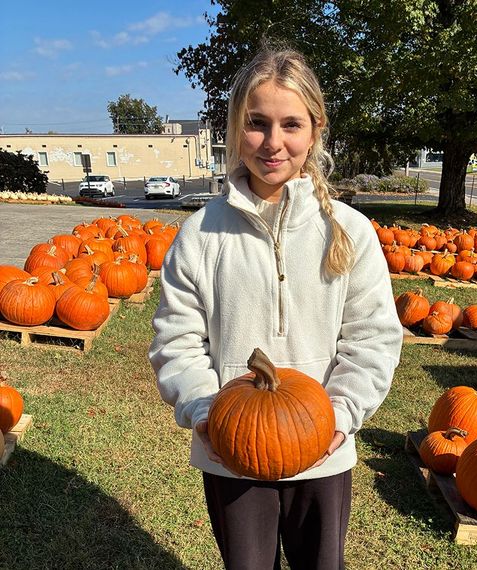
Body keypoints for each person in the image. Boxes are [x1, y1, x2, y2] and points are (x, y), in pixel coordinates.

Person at [149, 46, 403, 570]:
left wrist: (341, 414)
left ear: (314, 130)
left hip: (325, 448)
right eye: (256, 123)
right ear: (235, 129)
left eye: (291, 124)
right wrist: (204, 412)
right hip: (231, 453)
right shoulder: (201, 233)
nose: (273, 142)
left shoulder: (348, 231)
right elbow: (177, 341)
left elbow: (372, 338)